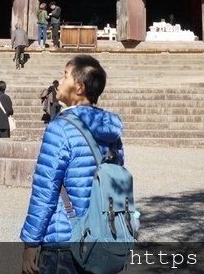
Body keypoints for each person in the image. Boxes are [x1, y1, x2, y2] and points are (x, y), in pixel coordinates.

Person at [20, 56, 124, 274]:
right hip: (103, 237)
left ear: (79, 87)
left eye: (65, 75)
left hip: (65, 240)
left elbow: (45, 189)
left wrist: (31, 242)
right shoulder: (111, 131)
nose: (60, 80)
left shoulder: (60, 129)